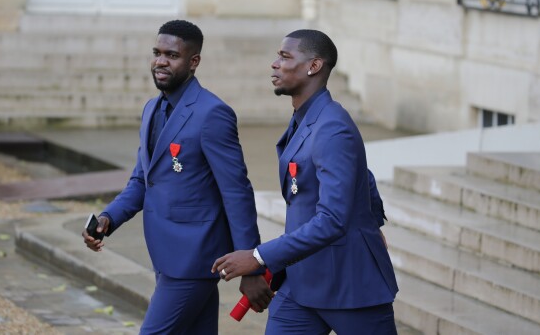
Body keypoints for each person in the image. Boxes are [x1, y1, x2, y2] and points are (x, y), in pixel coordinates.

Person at [82, 20, 273, 334]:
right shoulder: (151, 109)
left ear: (193, 61)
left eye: (171, 55)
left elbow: (236, 191)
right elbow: (143, 180)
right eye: (157, 52)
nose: (160, 61)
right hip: (163, 255)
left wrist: (252, 264)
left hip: (193, 260)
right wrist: (108, 218)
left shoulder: (213, 114)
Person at [212, 29, 399, 334]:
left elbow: (333, 219)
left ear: (314, 66)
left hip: (349, 285)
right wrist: (373, 221)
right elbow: (362, 175)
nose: (275, 64)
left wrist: (258, 257)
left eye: (285, 57)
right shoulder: (307, 117)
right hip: (300, 284)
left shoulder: (332, 126)